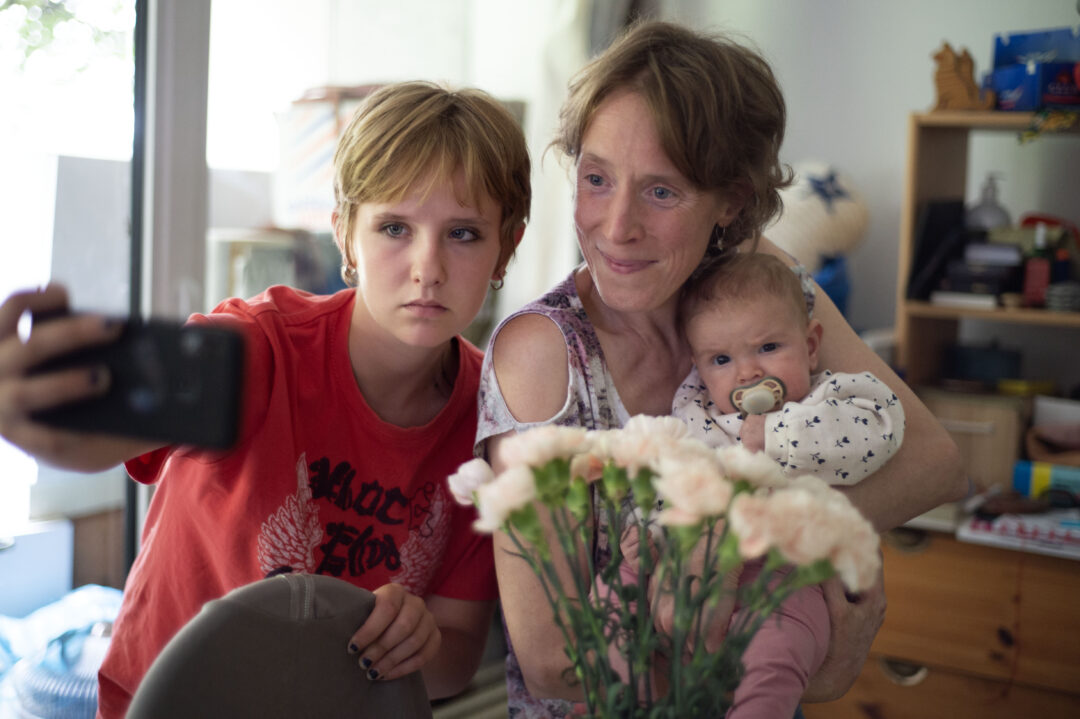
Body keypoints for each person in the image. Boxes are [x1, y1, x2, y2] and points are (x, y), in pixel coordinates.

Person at [475, 20, 965, 717]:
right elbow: (553, 661)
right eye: (596, 178)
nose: (617, 226)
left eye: (662, 192)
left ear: (730, 201)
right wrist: (811, 664)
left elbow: (934, 462)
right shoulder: (542, 353)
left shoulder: (756, 284)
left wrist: (742, 548)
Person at [0, 80, 531, 718]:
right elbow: (100, 435)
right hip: (171, 703)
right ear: (346, 235)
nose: (428, 268)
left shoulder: (493, 418)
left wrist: (418, 641)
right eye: (394, 227)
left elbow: (458, 649)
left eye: (464, 233)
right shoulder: (258, 346)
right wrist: (44, 414)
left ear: (507, 246)